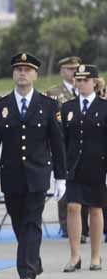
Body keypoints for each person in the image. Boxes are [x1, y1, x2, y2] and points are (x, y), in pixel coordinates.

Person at [0, 53, 66, 279]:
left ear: (35, 74)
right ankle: (33, 259)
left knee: (32, 220)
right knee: (17, 219)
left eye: (27, 69)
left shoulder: (48, 105)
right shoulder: (0, 106)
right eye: (18, 69)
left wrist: (61, 176)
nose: (22, 73)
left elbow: (57, 143)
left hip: (37, 174)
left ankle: (26, 272)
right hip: (11, 174)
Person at [60, 64, 106, 273]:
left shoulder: (104, 107)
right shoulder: (68, 108)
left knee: (96, 209)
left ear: (95, 82)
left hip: (97, 165)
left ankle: (95, 256)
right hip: (74, 165)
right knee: (73, 207)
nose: (80, 84)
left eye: (84, 80)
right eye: (77, 80)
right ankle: (74, 255)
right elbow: (62, 140)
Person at [45, 55, 82, 240]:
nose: (73, 72)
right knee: (65, 185)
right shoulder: (53, 93)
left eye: (76, 69)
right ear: (61, 71)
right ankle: (66, 225)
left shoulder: (85, 89)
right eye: (69, 69)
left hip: (83, 144)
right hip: (63, 145)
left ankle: (83, 226)